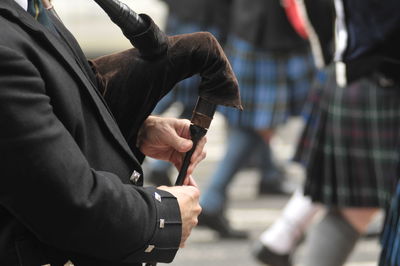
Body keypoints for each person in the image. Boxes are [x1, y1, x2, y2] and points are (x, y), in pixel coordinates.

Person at [0, 0, 241, 265]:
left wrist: (138, 128)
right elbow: (64, 203)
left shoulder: (30, 8)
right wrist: (163, 214)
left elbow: (55, 100)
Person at [253, 0, 400, 266]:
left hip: (364, 71)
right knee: (355, 208)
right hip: (378, 76)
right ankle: (282, 236)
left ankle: (282, 236)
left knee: (355, 208)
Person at [198, 0, 315, 239]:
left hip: (255, 29)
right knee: (258, 125)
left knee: (256, 124)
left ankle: (268, 184)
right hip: (269, 36)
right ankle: (214, 199)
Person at [145, 0, 232, 187]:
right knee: (179, 95)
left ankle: (156, 165)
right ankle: (129, 140)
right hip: (206, 20)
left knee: (173, 93)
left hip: (191, 16)